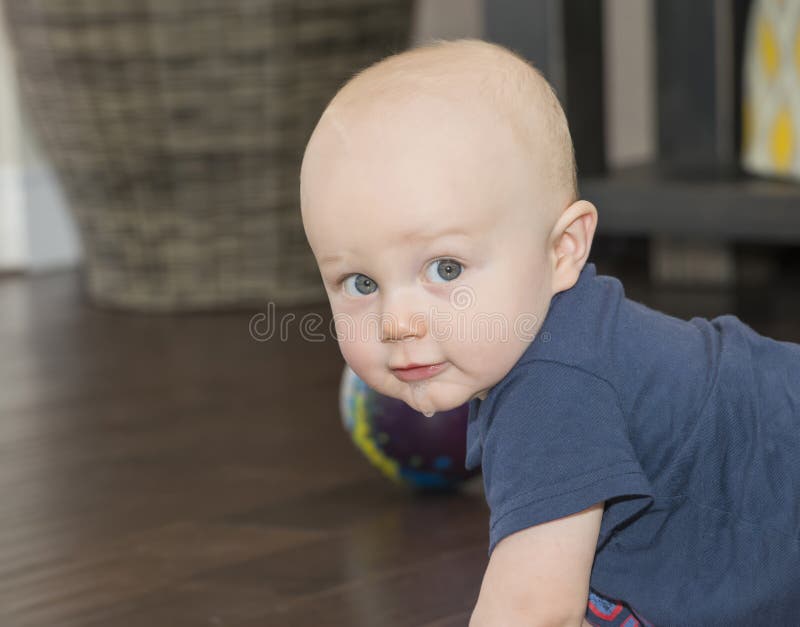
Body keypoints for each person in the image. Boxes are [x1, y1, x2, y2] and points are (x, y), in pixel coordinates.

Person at [299, 38, 800, 626]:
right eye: (360, 283)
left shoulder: (552, 389)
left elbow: (534, 610)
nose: (396, 322)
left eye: (446, 269)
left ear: (564, 249)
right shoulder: (561, 340)